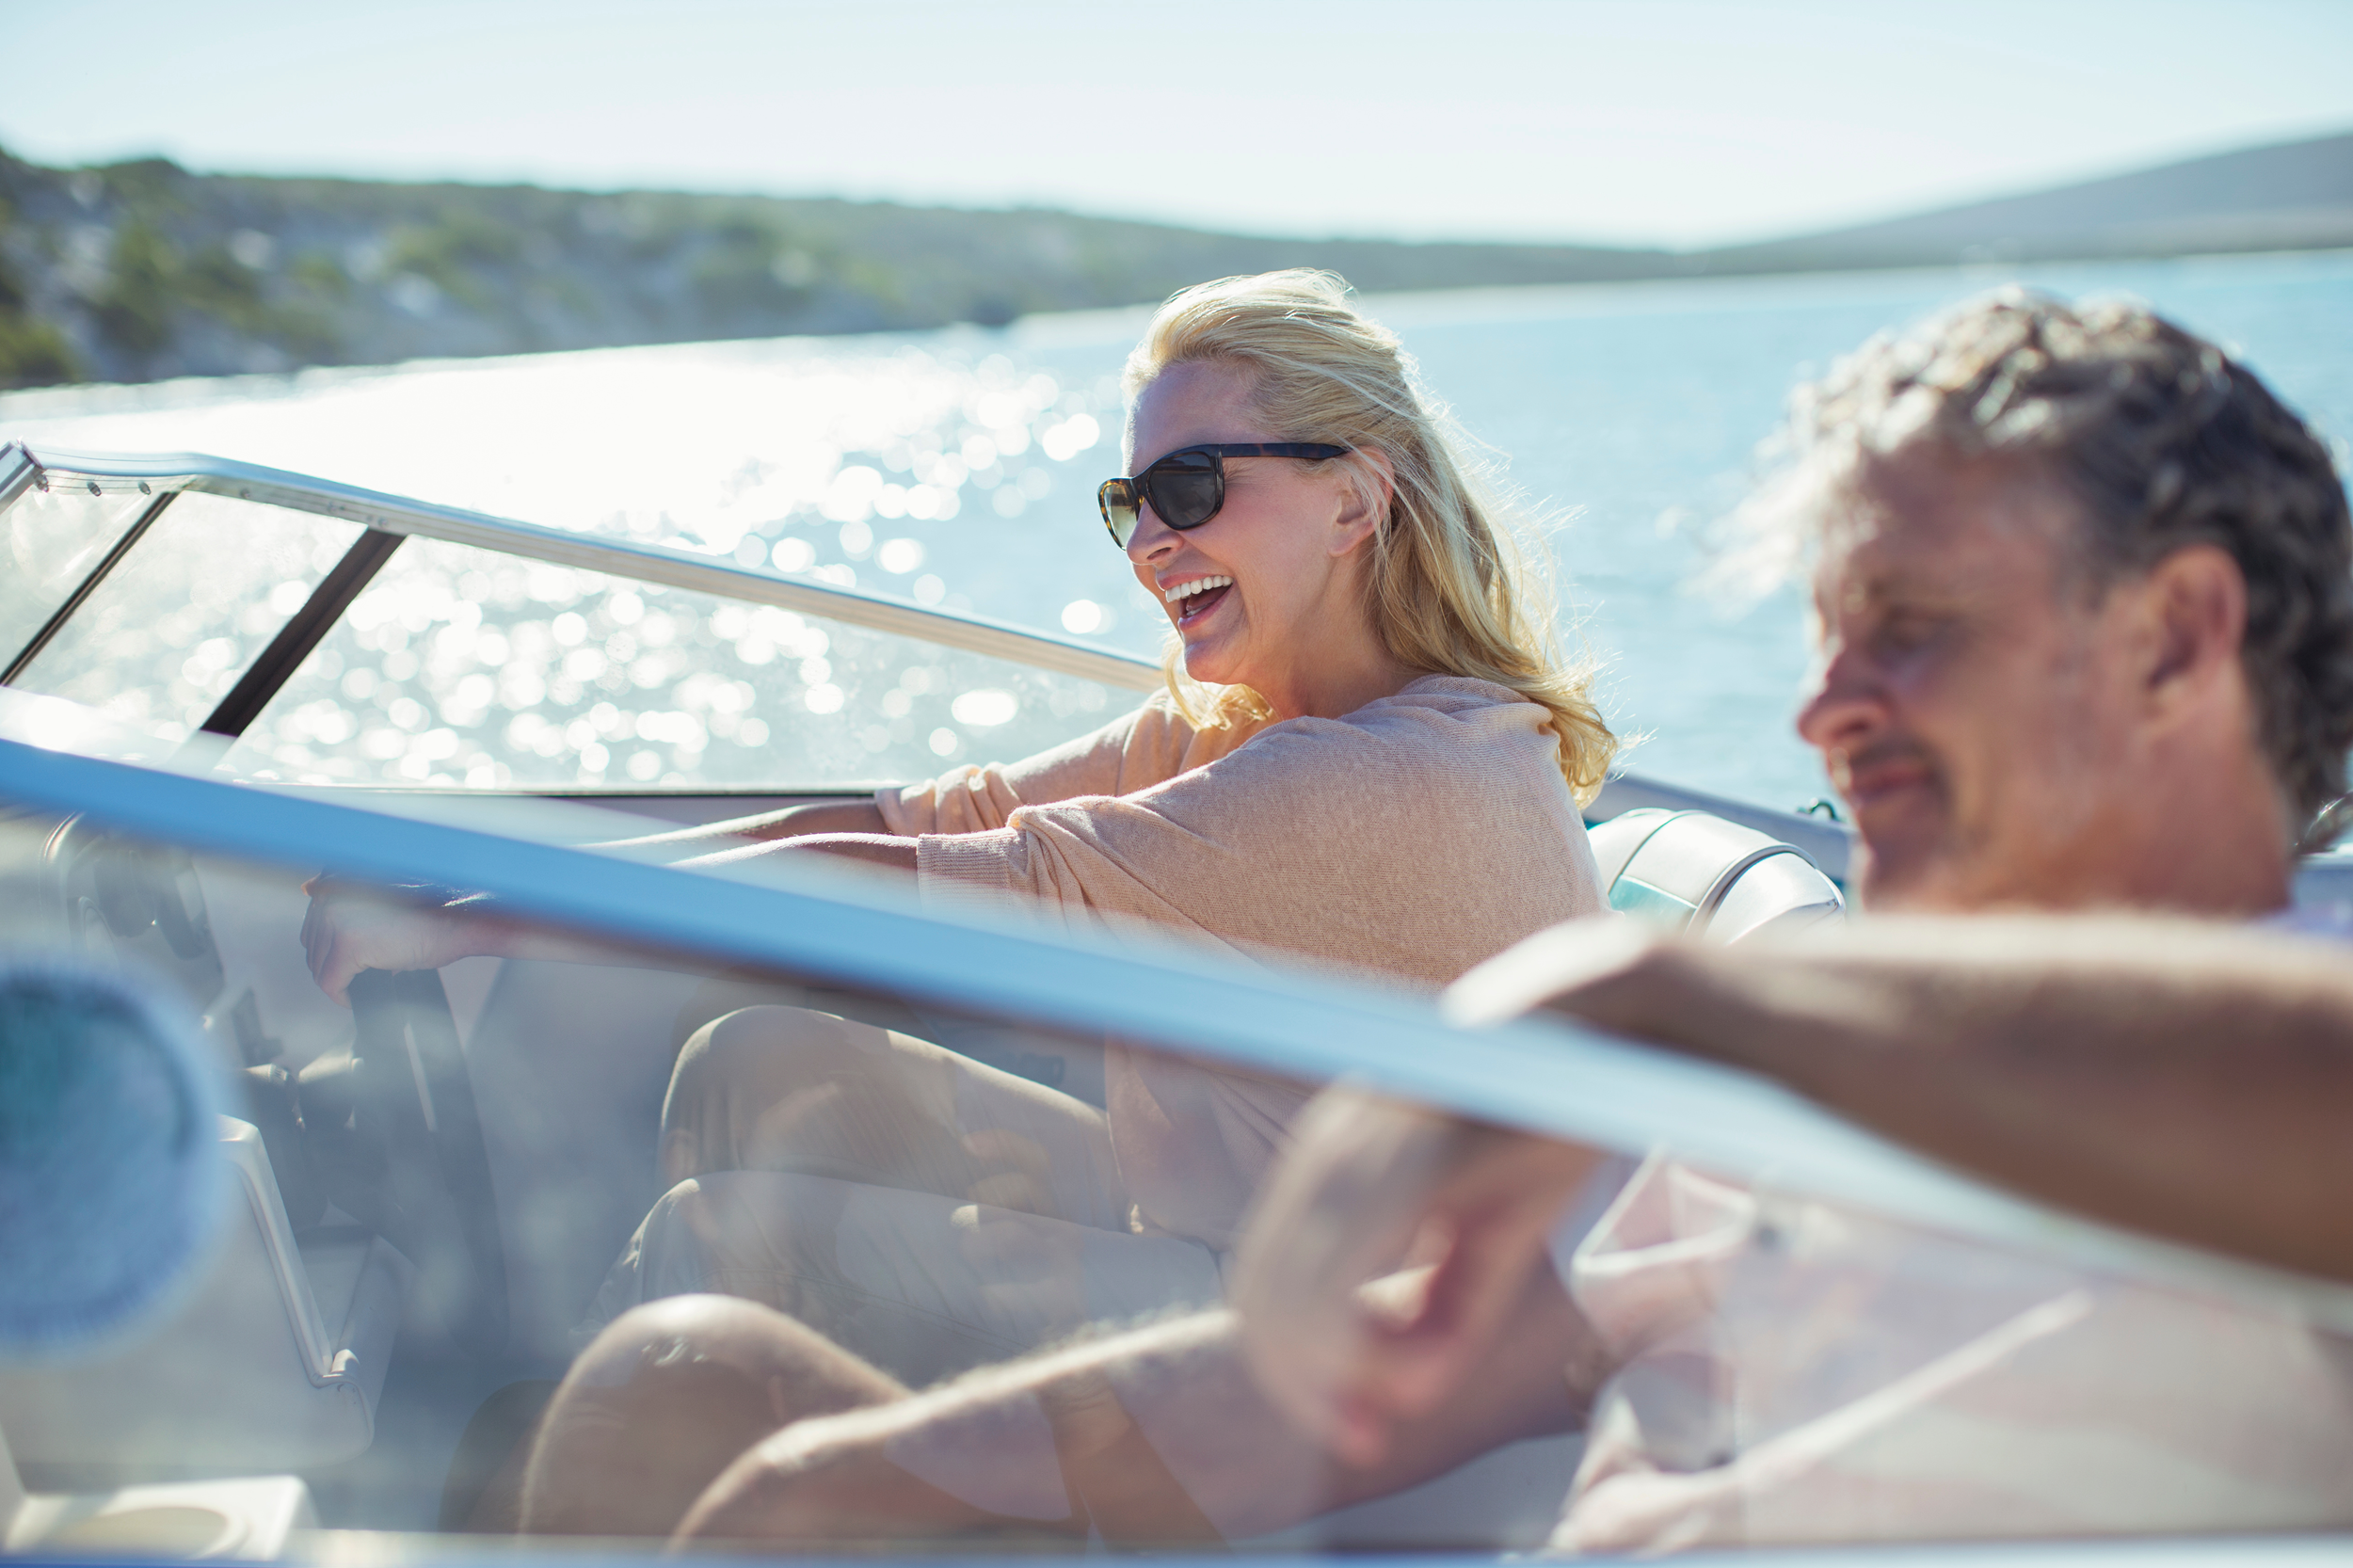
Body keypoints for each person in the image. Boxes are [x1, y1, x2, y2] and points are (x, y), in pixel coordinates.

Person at [534, 288, 2353, 1549]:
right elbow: (1400, 1374)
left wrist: (1693, 1010)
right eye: (1828, 638)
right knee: (688, 1397)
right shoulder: (1826, 1107)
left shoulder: (2281, 1039)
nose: (1822, 711)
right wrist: (869, 1473)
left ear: (2178, 640)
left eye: (1915, 628)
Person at [301, 270, 1621, 1518]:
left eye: (1191, 484)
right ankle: (756, 1482)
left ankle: (621, 1469)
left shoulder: (1386, 777)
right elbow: (922, 818)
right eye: (1130, 503)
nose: (1152, 540)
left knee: (691, 1307)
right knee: (761, 1061)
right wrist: (522, 875)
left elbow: (895, 884)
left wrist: (470, 919)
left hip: (1338, 1391)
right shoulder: (1253, 725)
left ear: (1355, 500)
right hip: (1257, 1239)